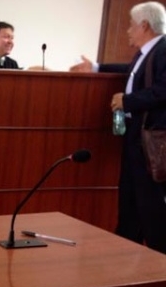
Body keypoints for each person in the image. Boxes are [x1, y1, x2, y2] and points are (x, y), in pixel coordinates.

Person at [70, 1, 166, 254]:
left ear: (144, 25)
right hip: (135, 136)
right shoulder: (147, 52)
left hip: (152, 138)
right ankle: (124, 249)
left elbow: (163, 90)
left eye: (132, 25)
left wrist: (127, 100)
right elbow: (132, 72)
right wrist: (97, 68)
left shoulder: (165, 50)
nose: (128, 31)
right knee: (130, 197)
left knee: (149, 201)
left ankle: (158, 261)